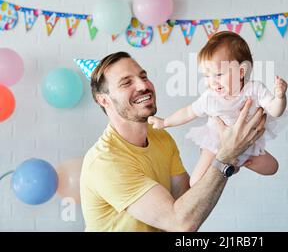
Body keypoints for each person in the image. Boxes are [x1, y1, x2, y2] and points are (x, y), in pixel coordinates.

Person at [80, 51, 266, 232]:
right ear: (104, 100)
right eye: (126, 82)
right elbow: (181, 223)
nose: (143, 86)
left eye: (143, 77)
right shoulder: (105, 161)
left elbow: (188, 202)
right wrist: (226, 157)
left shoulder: (160, 137)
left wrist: (219, 150)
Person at [148, 31, 288, 186]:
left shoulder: (254, 89)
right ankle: (226, 165)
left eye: (218, 74)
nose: (212, 82)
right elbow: (188, 112)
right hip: (216, 143)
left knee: (272, 167)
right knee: (196, 182)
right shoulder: (210, 98)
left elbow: (275, 110)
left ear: (241, 71)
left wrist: (280, 97)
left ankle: (237, 163)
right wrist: (165, 122)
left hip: (247, 141)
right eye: (207, 76)